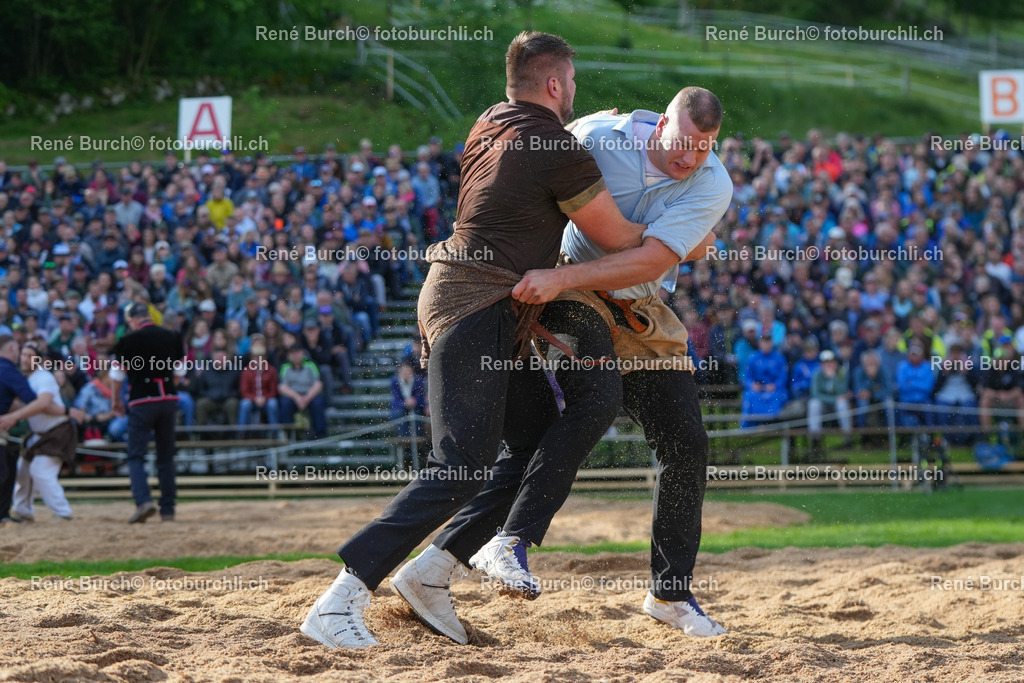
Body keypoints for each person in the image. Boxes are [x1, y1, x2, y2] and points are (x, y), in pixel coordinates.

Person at [301, 31, 646, 649]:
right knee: (459, 463)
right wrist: (683, 234)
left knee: (536, 445)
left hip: (474, 301)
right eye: (570, 82)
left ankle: (433, 570)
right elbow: (619, 238)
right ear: (554, 84)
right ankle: (341, 597)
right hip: (474, 304)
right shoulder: (555, 145)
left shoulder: (490, 121)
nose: (573, 92)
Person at [391, 87, 729, 642]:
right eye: (683, 143)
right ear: (660, 124)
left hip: (637, 305)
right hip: (567, 289)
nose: (691, 158)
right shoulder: (594, 135)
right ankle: (511, 541)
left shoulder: (715, 182)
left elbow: (650, 261)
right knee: (596, 401)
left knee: (686, 443)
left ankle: (670, 595)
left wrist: (663, 248)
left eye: (705, 147)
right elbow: (529, 180)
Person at [110, 303, 185, 524]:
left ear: (133, 320)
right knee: (165, 457)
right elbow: (180, 371)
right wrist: (168, 386)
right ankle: (168, 509)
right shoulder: (172, 336)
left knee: (135, 455)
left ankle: (143, 501)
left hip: (142, 400)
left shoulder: (127, 340)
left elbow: (117, 376)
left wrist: (116, 401)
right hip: (168, 399)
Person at [0, 336, 82, 523]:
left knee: (41, 471)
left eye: (30, 356)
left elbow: (43, 404)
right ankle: (23, 511)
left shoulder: (44, 376)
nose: (25, 359)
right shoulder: (24, 378)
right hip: (38, 434)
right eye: (23, 355)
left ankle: (62, 512)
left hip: (57, 431)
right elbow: (27, 404)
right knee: (22, 471)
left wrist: (14, 416)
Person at [808, 349, 853, 451]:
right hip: (824, 406)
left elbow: (842, 392)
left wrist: (833, 378)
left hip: (837, 406)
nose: (828, 365)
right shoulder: (817, 374)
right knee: (814, 404)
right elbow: (815, 394)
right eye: (825, 362)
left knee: (842, 404)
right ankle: (815, 440)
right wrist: (834, 398)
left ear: (836, 362)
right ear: (821, 364)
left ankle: (848, 439)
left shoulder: (842, 372)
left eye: (831, 362)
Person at [278, 345, 327, 439]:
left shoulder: (311, 364)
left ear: (302, 353)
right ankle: (288, 433)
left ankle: (320, 433)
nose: (295, 355)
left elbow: (318, 384)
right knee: (284, 403)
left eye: (297, 352)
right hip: (292, 395)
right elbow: (282, 387)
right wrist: (297, 397)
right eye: (292, 353)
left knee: (318, 402)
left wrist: (306, 398)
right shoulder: (285, 366)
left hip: (309, 394)